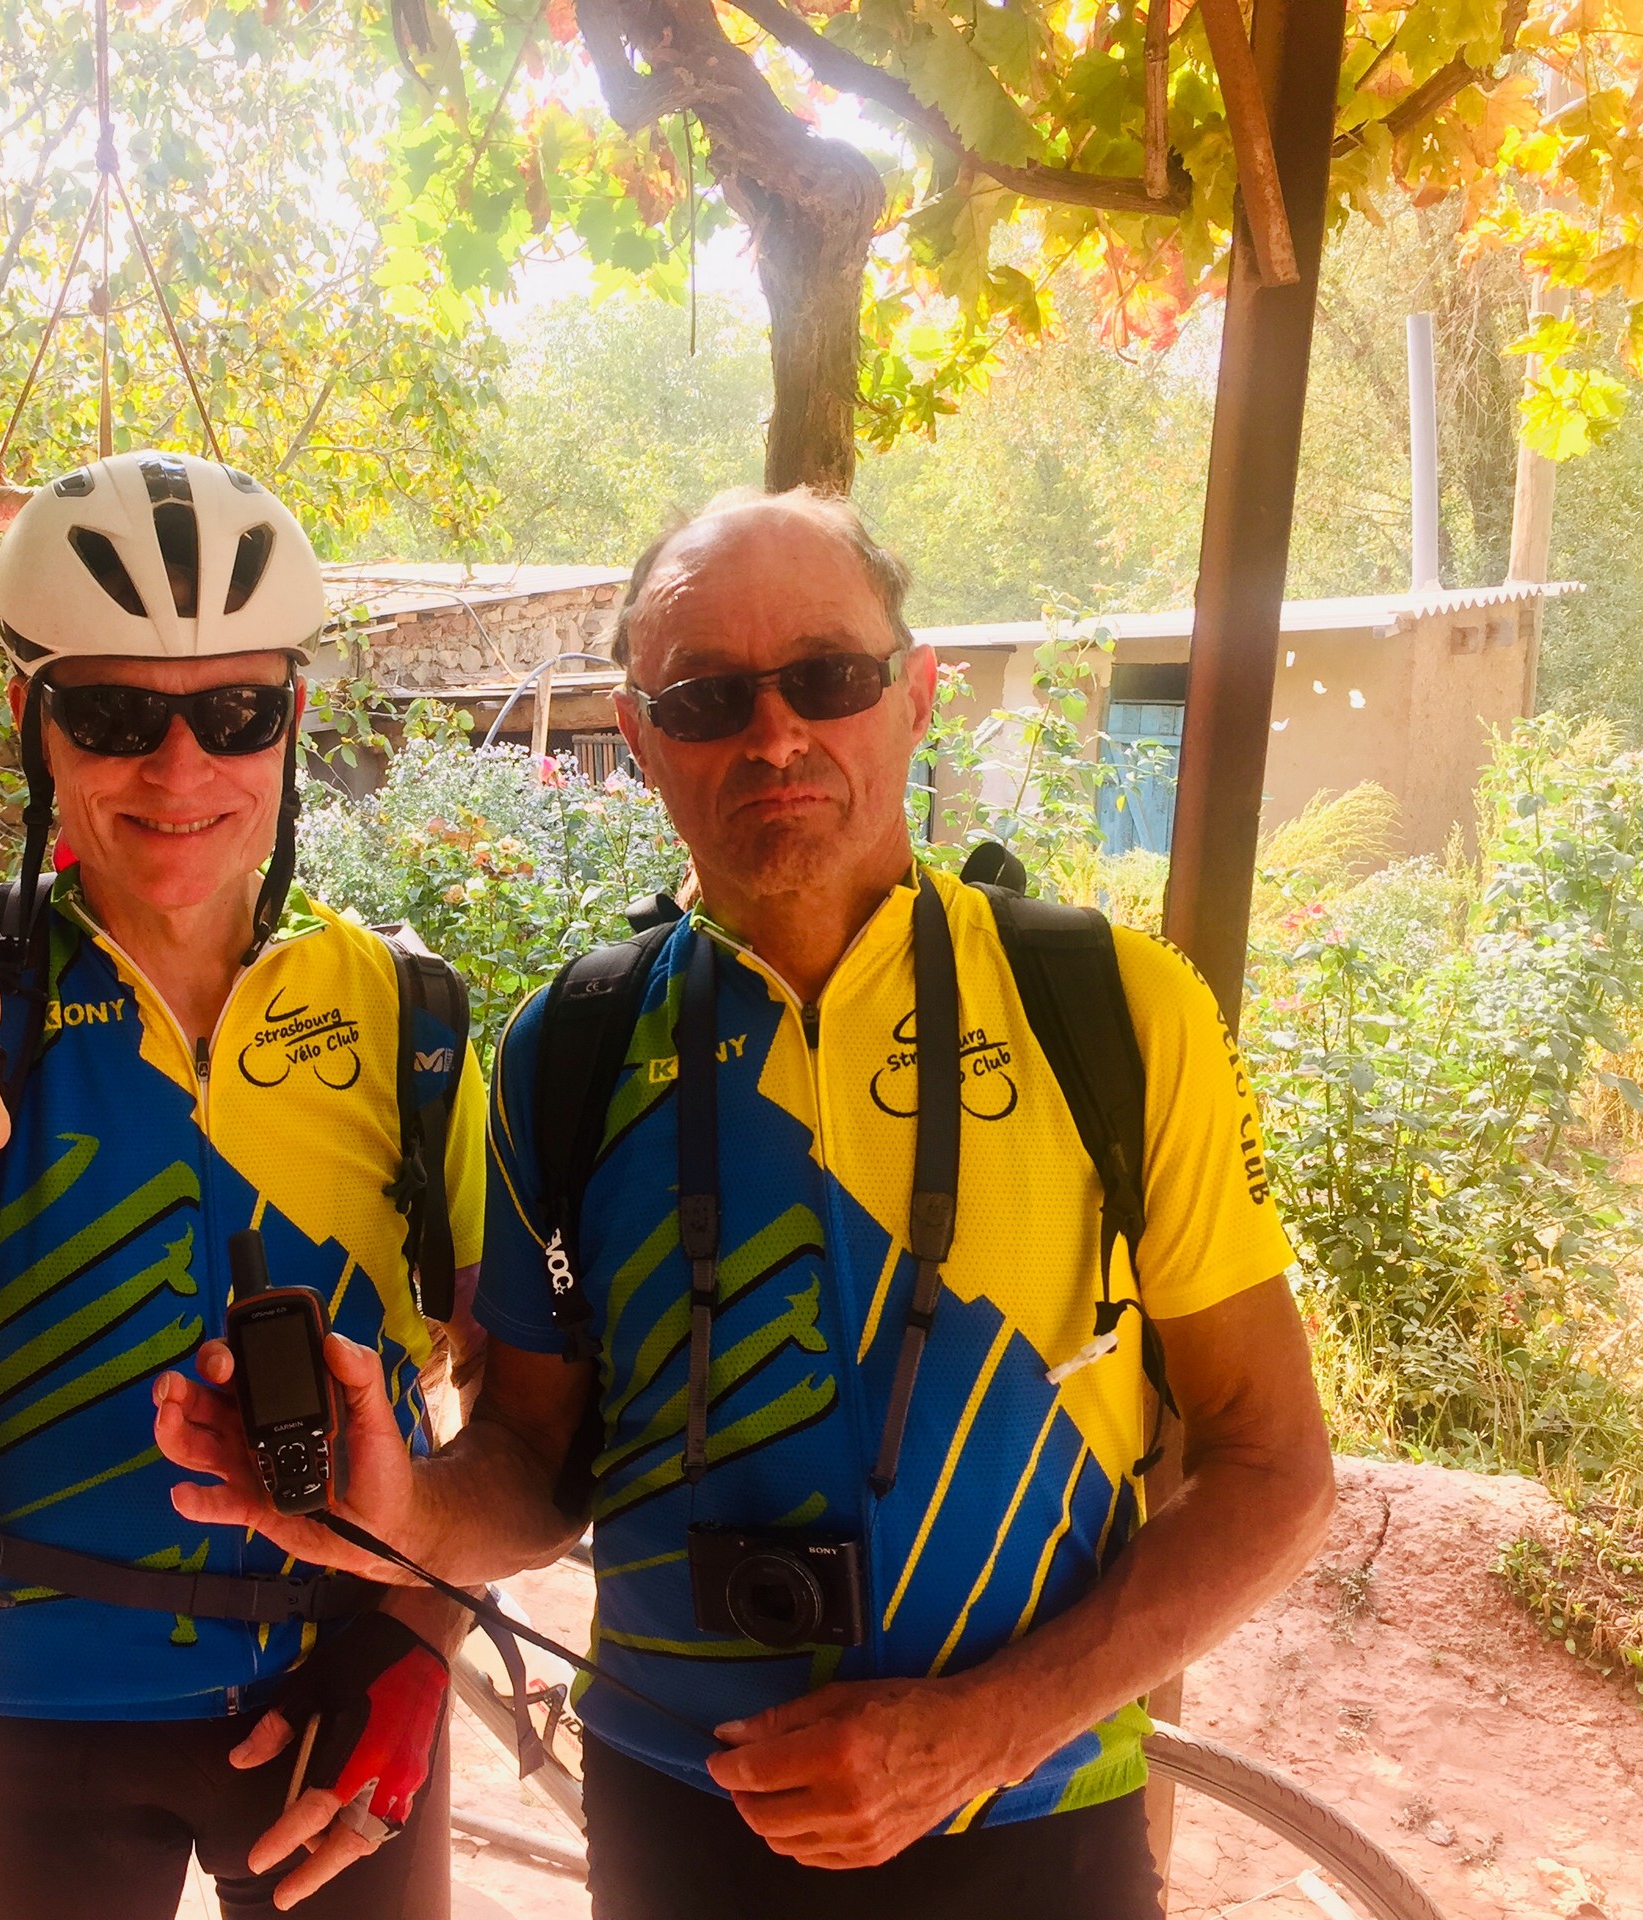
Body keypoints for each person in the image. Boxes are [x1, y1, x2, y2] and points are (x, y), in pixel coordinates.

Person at [156, 487, 1337, 1916]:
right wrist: (393, 1507)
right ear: (642, 739)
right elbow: (535, 1461)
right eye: (710, 697)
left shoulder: (1113, 1009)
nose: (775, 736)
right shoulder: (569, 1051)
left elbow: (1276, 1468)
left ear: (915, 696)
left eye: (828, 678)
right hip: (679, 1814)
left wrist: (981, 1732)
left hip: (1031, 1818)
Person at [0, 451, 484, 1920]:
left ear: (292, 722)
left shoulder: (407, 1018)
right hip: (26, 1698)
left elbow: (516, 1417)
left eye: (234, 714)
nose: (179, 774)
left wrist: (422, 1630)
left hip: (342, 1686)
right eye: (114, 715)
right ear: (31, 723)